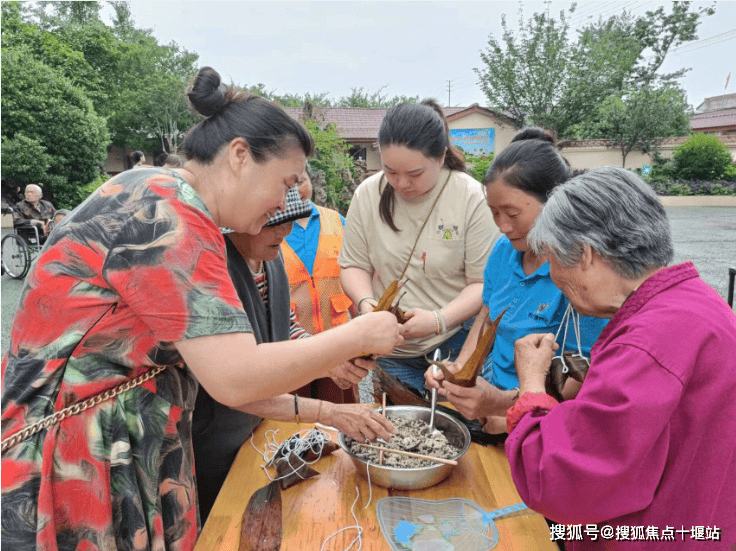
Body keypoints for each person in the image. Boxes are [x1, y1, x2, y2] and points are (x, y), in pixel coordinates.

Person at [1, 66, 402, 551]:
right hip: (75, 453)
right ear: (239, 155)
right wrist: (358, 334)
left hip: (123, 442)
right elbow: (234, 377)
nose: (285, 203)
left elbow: (223, 369)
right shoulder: (167, 212)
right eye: (285, 183)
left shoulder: (166, 199)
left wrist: (329, 376)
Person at [504, 166, 736, 549]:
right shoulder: (701, 303)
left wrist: (530, 385)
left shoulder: (645, 343)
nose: (554, 277)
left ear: (585, 254)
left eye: (554, 261)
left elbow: (563, 481)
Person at [193, 186, 391, 520]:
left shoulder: (271, 262)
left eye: (290, 221)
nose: (285, 232)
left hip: (255, 430)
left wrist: (331, 363)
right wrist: (329, 411)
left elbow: (286, 325)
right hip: (215, 436)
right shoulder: (215, 273)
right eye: (274, 222)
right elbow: (236, 382)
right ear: (240, 221)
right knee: (223, 520)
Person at [425, 129, 607, 434]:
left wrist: (501, 405)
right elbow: (487, 317)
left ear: (555, 202)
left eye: (512, 213)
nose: (503, 226)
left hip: (541, 423)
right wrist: (459, 371)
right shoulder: (504, 251)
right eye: (494, 213)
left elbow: (580, 380)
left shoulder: (580, 273)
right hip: (491, 409)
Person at [339, 99, 499, 393]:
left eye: (415, 174)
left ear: (441, 157)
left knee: (452, 417)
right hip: (390, 350)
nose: (401, 184)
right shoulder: (367, 194)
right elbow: (353, 265)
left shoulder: (470, 197)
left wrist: (438, 320)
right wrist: (366, 304)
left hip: (453, 344)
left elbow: (482, 284)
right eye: (390, 171)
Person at [282, 163, 356, 402]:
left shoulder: (337, 221)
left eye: (301, 182)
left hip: (337, 347)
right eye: (287, 186)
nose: (295, 191)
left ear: (312, 181)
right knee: (292, 415)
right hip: (291, 349)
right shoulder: (269, 229)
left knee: (341, 411)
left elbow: (355, 276)